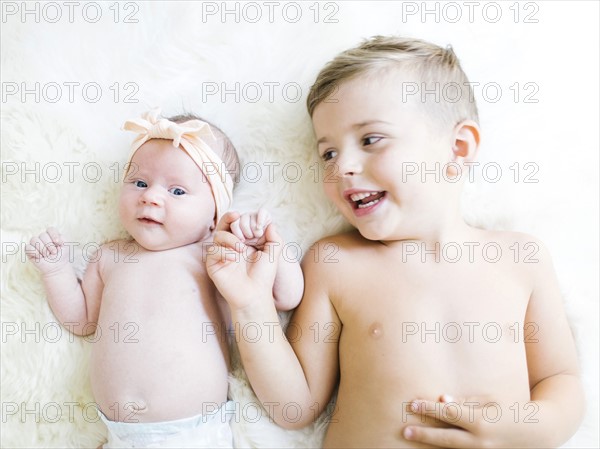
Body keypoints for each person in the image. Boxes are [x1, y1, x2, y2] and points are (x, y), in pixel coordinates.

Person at [206, 36, 584, 448]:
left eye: (371, 140)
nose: (344, 167)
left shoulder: (519, 259)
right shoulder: (336, 263)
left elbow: (560, 379)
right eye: (328, 153)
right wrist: (251, 304)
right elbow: (293, 406)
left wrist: (527, 424)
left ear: (457, 148)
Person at [26, 109, 304, 448]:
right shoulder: (111, 256)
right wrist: (56, 270)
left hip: (195, 434)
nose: (150, 196)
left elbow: (286, 296)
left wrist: (268, 246)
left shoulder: (216, 256)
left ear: (214, 214)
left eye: (177, 191)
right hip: (119, 436)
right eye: (140, 183)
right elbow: (81, 320)